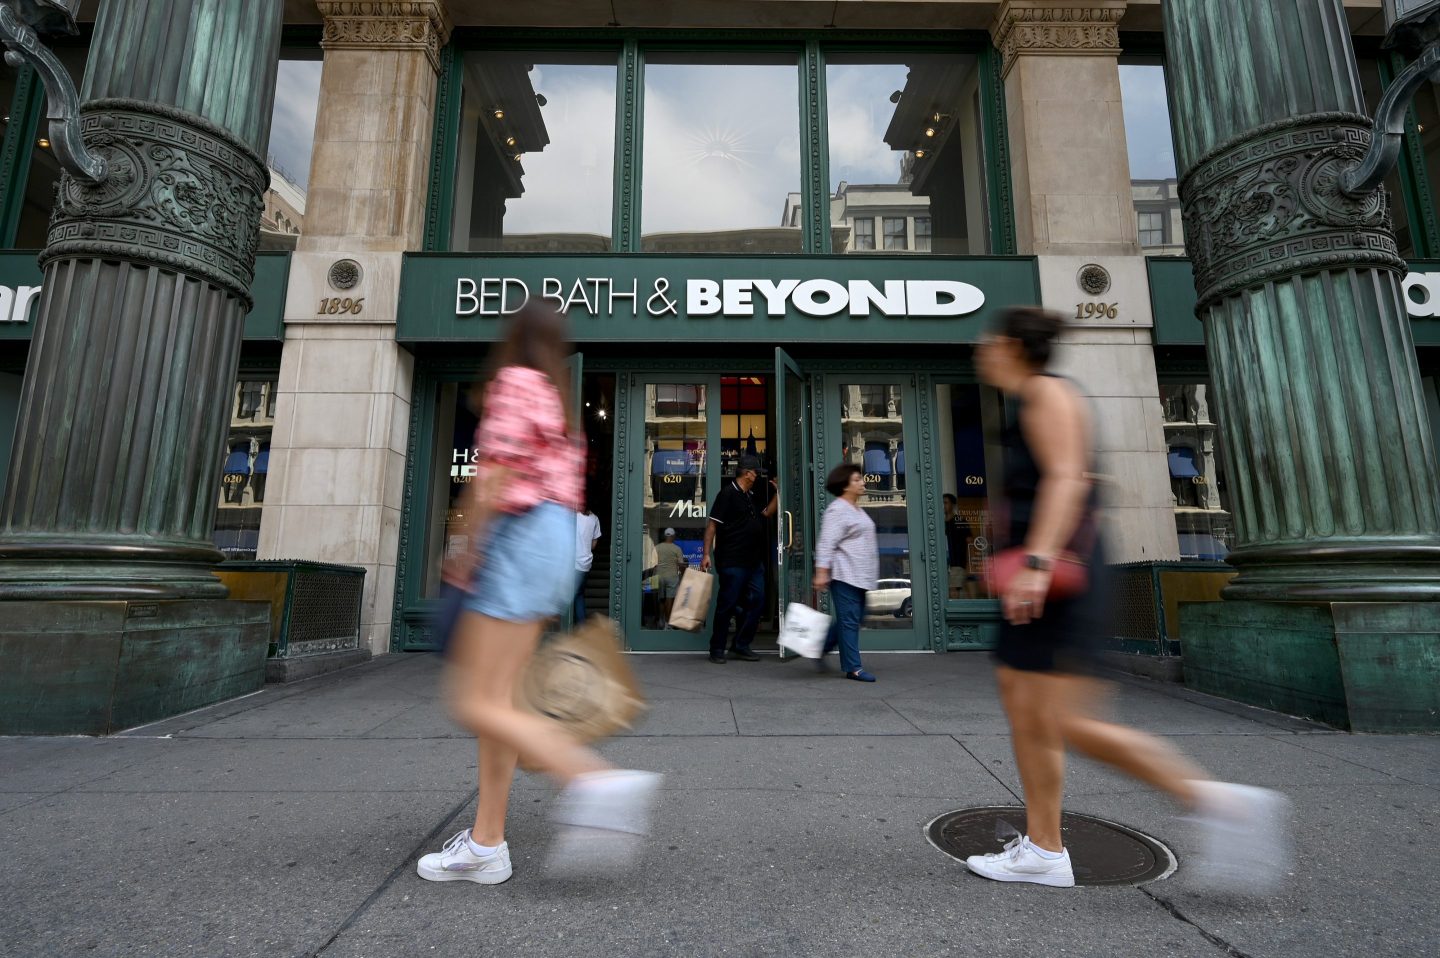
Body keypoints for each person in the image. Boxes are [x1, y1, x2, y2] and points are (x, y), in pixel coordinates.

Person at [967, 306, 1288, 890]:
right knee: (1026, 711)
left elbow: (1068, 478)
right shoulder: (1027, 403)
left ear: (1013, 346)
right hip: (1042, 581)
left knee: (1068, 722)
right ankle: (1044, 848)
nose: (981, 350)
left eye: (990, 341)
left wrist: (1037, 562)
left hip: (1057, 581)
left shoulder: (1046, 393)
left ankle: (1223, 805)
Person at [419, 302, 660, 886]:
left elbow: (494, 476)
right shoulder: (556, 403)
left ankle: (591, 780)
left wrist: (463, 551)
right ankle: (486, 842)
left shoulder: (515, 382)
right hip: (552, 546)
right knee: (498, 706)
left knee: (472, 701)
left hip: (517, 540)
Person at [700, 454, 777, 663]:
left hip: (753, 563)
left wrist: (778, 493)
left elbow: (767, 514)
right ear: (747, 473)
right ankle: (717, 649)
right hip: (732, 561)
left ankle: (741, 645)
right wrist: (706, 554)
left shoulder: (749, 495)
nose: (757, 476)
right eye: (756, 473)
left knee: (758, 601)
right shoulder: (727, 494)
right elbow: (712, 526)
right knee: (727, 604)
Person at [813, 463, 878, 682]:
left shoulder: (857, 509)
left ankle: (820, 647)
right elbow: (826, 543)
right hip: (845, 574)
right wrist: (821, 572)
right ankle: (853, 668)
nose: (863, 482)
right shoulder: (837, 510)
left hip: (861, 576)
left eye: (861, 478)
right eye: (857, 479)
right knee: (849, 620)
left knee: (853, 619)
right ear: (845, 485)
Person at [654, 527, 687, 627]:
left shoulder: (658, 547)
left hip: (659, 576)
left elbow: (653, 563)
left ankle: (661, 620)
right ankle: (668, 623)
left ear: (665, 536)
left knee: (661, 598)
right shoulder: (676, 549)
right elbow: (681, 565)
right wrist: (684, 574)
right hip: (672, 577)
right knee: (669, 599)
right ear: (673, 536)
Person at [574, 505, 602, 622]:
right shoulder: (594, 519)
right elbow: (593, 545)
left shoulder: (573, 516)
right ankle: (581, 627)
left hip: (572, 562)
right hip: (585, 564)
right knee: (579, 595)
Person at [943, 493, 972, 599]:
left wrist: (968, 565)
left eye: (946, 503)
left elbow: (969, 541)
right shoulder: (940, 523)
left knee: (953, 589)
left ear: (952, 505)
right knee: (955, 589)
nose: (943, 505)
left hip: (958, 562)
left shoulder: (960, 521)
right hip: (945, 563)